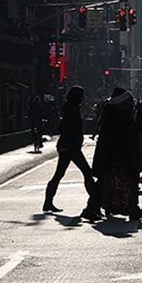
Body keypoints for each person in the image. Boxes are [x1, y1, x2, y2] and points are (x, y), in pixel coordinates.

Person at [84, 88, 142, 222]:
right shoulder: (118, 116)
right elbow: (130, 133)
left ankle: (93, 209)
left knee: (104, 183)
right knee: (125, 181)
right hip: (118, 155)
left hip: (113, 155)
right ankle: (131, 208)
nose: (131, 105)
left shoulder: (114, 113)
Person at [43, 86, 96, 214]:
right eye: (82, 95)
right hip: (71, 146)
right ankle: (95, 202)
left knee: (59, 174)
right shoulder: (73, 109)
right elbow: (68, 128)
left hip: (69, 146)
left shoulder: (70, 108)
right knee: (87, 173)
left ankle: (48, 202)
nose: (84, 98)